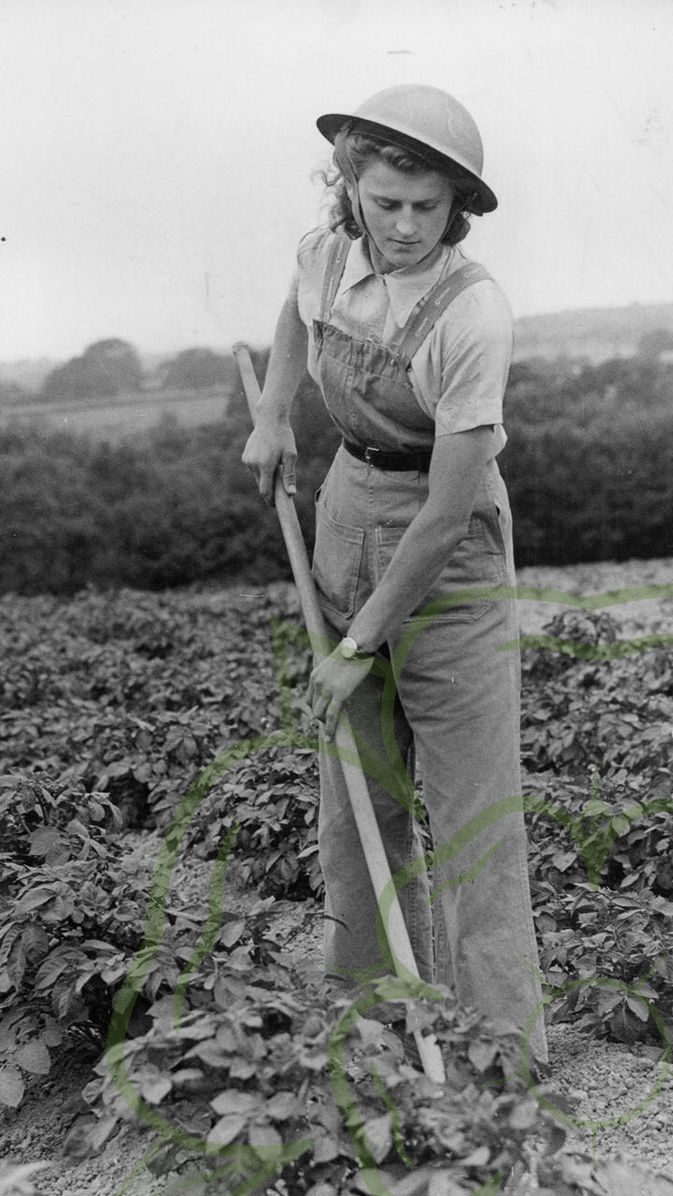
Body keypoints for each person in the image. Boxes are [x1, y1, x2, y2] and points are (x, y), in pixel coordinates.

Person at [242, 83, 548, 1072]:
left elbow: (445, 515)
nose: (406, 225)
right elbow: (294, 318)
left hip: (446, 552)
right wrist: (274, 412)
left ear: (457, 204)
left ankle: (499, 1058)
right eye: (386, 203)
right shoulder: (325, 254)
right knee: (355, 799)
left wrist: (355, 643)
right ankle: (374, 1029)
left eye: (428, 206)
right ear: (350, 188)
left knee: (473, 816)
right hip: (345, 512)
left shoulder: (472, 314)